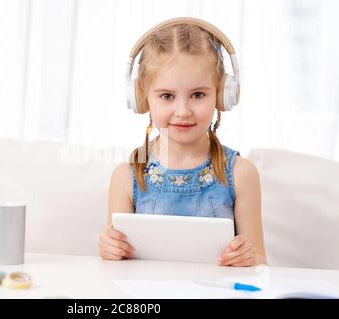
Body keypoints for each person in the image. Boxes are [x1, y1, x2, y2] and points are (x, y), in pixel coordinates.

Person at [99, 17, 267, 267]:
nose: (183, 111)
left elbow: (260, 261)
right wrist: (110, 250)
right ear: (142, 98)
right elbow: (115, 267)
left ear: (223, 94)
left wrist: (248, 258)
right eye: (167, 96)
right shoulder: (127, 177)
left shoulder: (241, 174)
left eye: (197, 95)